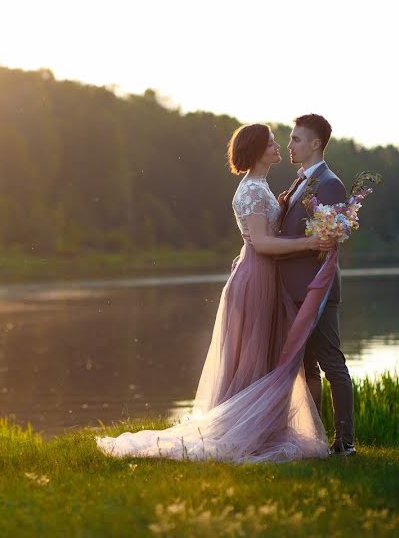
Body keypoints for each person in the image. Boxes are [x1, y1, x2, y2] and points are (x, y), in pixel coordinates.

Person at [95, 123, 339, 463]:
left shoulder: (261, 188)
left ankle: (263, 429)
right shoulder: (252, 191)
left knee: (265, 358)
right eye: (271, 143)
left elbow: (267, 233)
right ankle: (244, 432)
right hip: (257, 278)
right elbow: (264, 244)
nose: (278, 147)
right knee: (252, 358)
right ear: (256, 151)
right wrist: (311, 242)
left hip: (265, 277)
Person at [276, 113, 356, 456]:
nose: (289, 145)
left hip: (317, 290)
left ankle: (345, 442)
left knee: (331, 362)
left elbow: (328, 242)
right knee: (307, 367)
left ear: (315, 144)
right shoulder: (299, 183)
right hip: (295, 290)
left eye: (296, 139)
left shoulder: (329, 184)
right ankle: (315, 439)